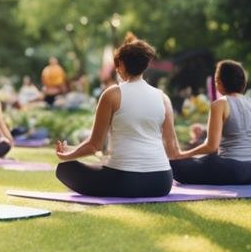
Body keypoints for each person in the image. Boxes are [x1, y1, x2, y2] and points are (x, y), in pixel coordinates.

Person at [54, 38, 179, 197]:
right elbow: (171, 145)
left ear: (121, 65)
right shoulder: (163, 98)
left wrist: (66, 155)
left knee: (65, 169)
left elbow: (94, 146)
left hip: (126, 181)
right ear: (145, 65)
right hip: (161, 182)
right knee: (101, 166)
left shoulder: (112, 94)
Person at [170, 60, 251, 185]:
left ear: (218, 82)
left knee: (174, 164)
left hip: (231, 169)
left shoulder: (220, 104)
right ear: (243, 83)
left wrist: (183, 155)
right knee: (206, 161)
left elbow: (211, 147)